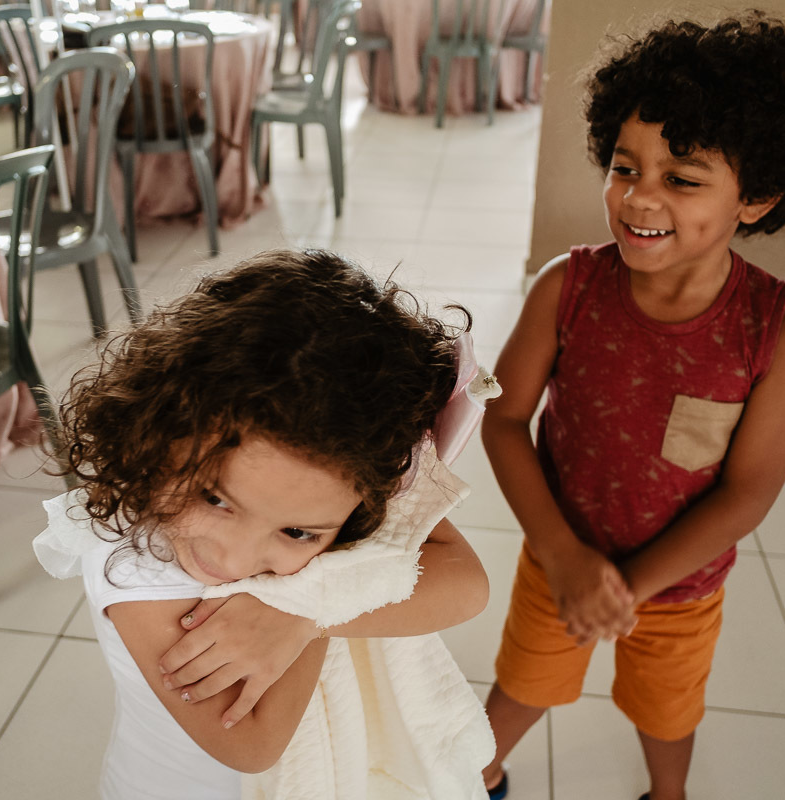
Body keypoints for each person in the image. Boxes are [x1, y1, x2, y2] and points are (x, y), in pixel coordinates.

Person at [478, 13, 785, 800]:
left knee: (667, 711)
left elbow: (749, 492)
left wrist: (629, 587)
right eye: (624, 166)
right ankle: (476, 776)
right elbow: (503, 420)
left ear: (758, 196)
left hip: (680, 587)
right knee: (523, 683)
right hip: (558, 558)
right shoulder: (564, 287)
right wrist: (567, 559)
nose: (638, 197)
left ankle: (666, 795)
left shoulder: (782, 333)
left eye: (681, 178)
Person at [32, 249, 494, 799]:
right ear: (166, 430)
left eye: (299, 532)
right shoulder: (133, 562)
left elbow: (469, 586)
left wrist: (306, 613)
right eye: (215, 498)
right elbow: (252, 745)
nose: (234, 558)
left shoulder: (341, 485)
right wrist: (315, 586)